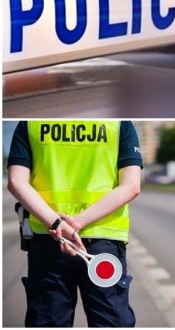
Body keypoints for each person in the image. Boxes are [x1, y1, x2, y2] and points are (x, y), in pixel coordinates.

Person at [7, 121, 143, 327]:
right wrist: (79, 222)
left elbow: (16, 182)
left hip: (48, 239)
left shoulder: (31, 123)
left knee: (48, 322)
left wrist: (57, 223)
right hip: (102, 243)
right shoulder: (118, 123)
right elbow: (132, 185)